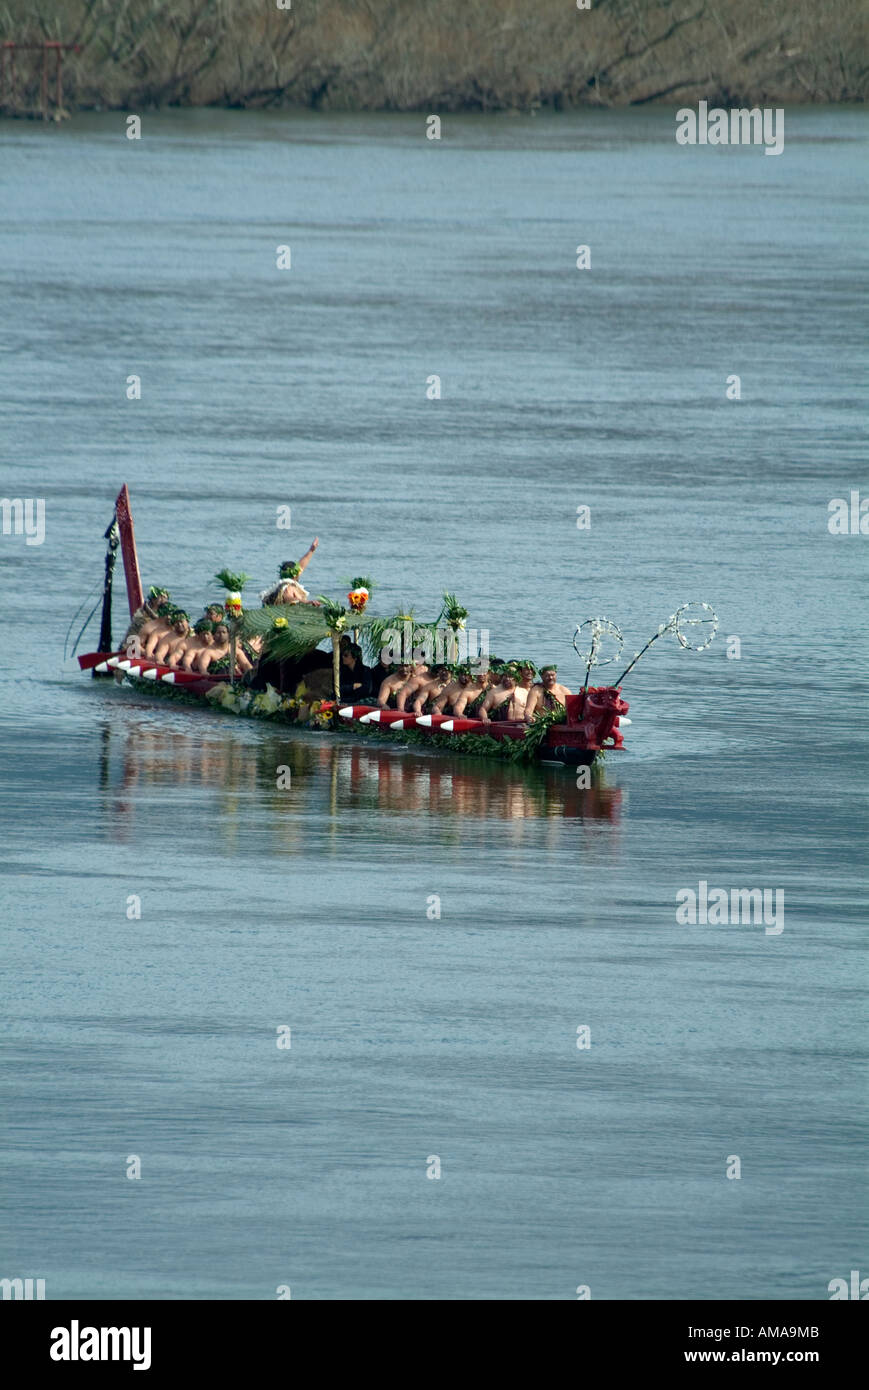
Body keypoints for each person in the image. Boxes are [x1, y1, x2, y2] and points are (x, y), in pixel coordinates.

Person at [261, 538, 321, 606]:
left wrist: (312, 550)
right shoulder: (288, 587)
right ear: (295, 575)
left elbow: (302, 565)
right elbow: (289, 598)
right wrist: (308, 602)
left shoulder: (280, 585)